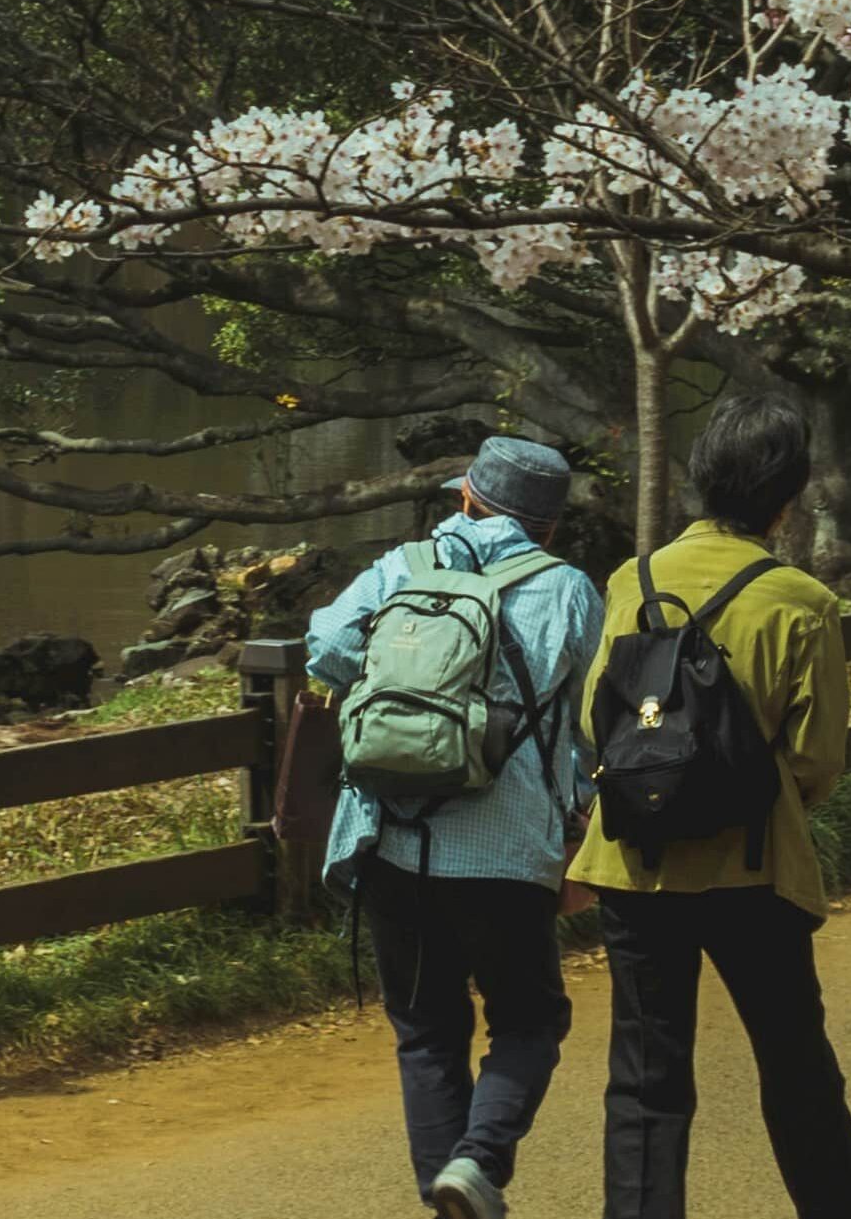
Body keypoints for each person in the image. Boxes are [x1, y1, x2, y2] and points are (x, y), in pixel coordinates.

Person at [570, 392, 851, 1219]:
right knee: (796, 1067)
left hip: (635, 862)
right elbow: (817, 760)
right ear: (787, 498)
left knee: (645, 1078)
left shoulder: (632, 580)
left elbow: (595, 722)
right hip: (752, 867)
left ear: (702, 477)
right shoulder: (800, 601)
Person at [296, 432, 606, 1216]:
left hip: (393, 841)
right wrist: (582, 823)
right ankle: (478, 1161)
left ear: (466, 498)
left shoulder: (402, 568)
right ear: (549, 526)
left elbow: (325, 646)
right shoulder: (569, 590)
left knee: (427, 1031)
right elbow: (595, 722)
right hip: (510, 851)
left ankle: (450, 1193)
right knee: (528, 1022)